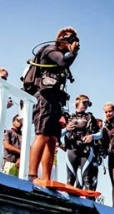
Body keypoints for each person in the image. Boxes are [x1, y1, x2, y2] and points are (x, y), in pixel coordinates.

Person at [26, 27, 80, 181]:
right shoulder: (50, 50)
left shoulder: (63, 56)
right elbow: (62, 62)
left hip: (56, 100)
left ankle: (47, 178)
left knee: (52, 140)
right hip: (45, 98)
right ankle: (32, 175)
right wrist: (73, 52)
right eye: (70, 39)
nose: (73, 42)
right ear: (61, 38)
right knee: (42, 134)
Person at [61, 94, 103, 191]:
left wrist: (92, 136)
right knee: (70, 179)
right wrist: (66, 129)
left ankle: (87, 203)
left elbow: (100, 134)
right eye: (84, 102)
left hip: (86, 150)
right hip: (72, 149)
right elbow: (57, 134)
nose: (86, 105)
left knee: (87, 179)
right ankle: (68, 201)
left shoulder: (90, 118)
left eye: (88, 103)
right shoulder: (68, 117)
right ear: (77, 102)